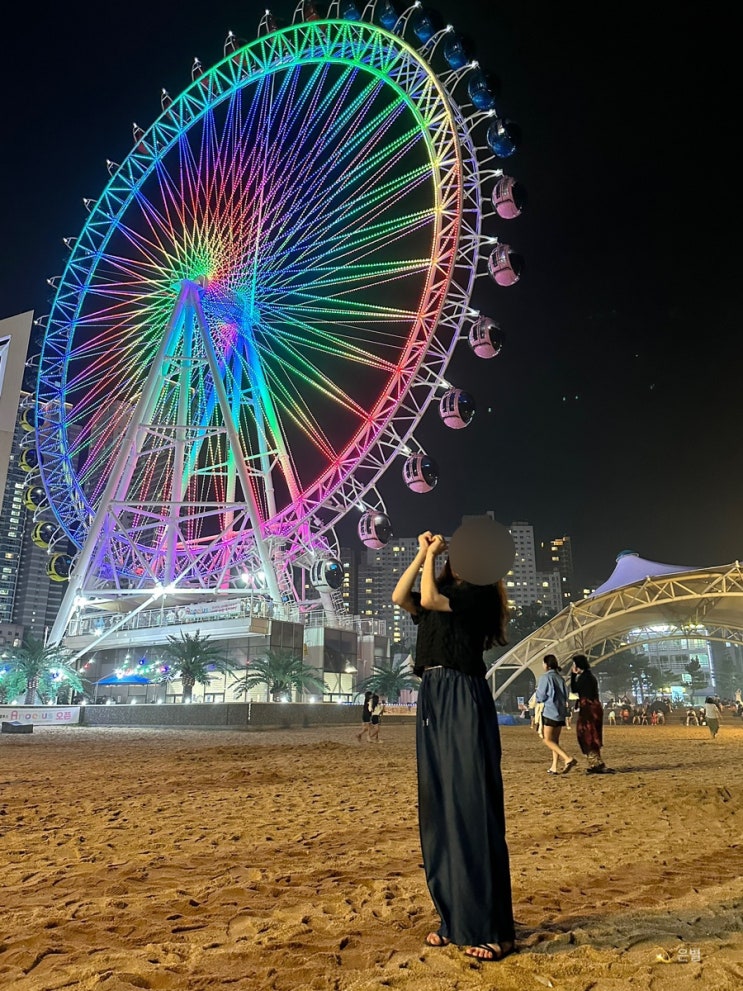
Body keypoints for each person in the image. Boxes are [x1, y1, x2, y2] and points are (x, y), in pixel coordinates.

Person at [391, 529, 515, 963]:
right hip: (433, 694)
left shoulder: (479, 596)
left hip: (463, 692)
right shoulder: (439, 591)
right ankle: (454, 920)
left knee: (471, 806)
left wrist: (431, 557)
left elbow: (427, 598)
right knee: (439, 810)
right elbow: (401, 596)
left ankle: (494, 930)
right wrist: (421, 553)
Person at [534, 655, 576, 775]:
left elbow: (541, 696)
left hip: (550, 712)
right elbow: (566, 695)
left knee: (547, 740)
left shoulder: (545, 677)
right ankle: (554, 767)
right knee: (555, 741)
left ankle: (567, 758)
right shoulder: (560, 678)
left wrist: (537, 698)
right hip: (560, 713)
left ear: (547, 665)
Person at [571, 655, 612, 773]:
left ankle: (596, 763)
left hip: (588, 710)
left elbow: (575, 689)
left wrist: (573, 675)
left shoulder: (585, 678)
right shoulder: (589, 676)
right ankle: (595, 762)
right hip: (593, 709)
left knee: (587, 735)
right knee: (592, 735)